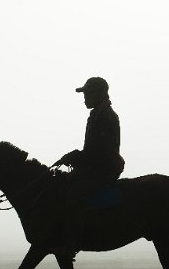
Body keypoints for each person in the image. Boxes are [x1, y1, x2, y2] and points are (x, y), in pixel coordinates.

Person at [52, 76, 125, 250]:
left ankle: (73, 241)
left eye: (88, 94)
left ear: (99, 94)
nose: (84, 98)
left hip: (105, 169)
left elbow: (99, 152)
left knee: (76, 193)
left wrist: (74, 156)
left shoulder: (106, 116)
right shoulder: (97, 114)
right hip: (95, 166)